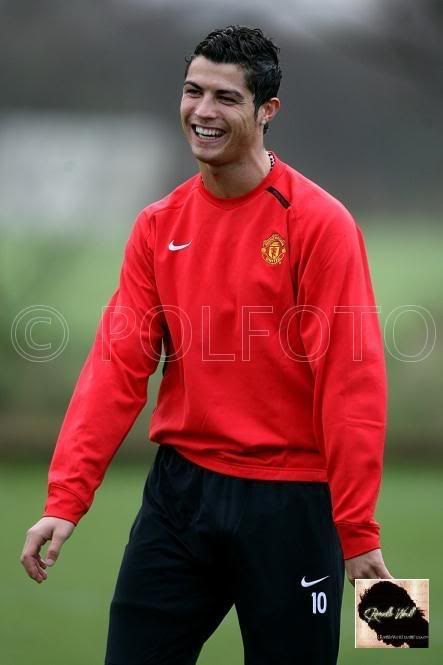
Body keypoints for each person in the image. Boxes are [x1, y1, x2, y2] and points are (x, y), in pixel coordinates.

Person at [21, 25, 392, 665]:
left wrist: (356, 531)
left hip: (291, 503)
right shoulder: (156, 225)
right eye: (193, 92)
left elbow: (352, 384)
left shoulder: (322, 225)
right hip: (180, 497)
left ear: (266, 111)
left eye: (225, 97)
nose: (202, 112)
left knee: (368, 641)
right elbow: (115, 367)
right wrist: (66, 499)